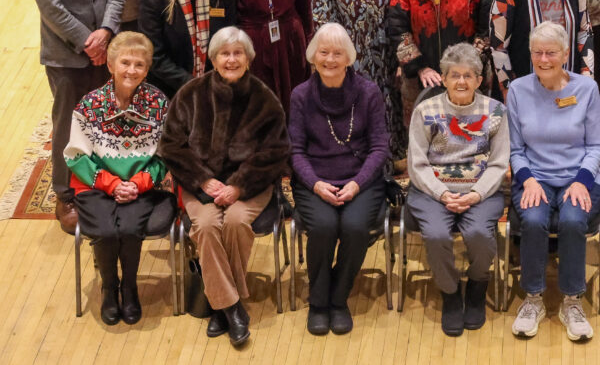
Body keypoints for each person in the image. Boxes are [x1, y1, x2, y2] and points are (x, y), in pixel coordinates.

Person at [159, 27, 290, 348]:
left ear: (249, 59)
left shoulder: (264, 98)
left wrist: (238, 186)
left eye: (238, 53)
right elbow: (171, 145)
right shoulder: (190, 94)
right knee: (205, 225)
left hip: (250, 185)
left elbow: (276, 151)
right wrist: (203, 179)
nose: (231, 60)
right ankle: (232, 307)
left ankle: (219, 304)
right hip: (199, 183)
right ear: (213, 59)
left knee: (235, 221)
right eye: (224, 54)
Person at [26, 0, 126, 232]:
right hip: (66, 52)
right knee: (69, 122)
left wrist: (106, 31)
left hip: (105, 42)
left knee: (106, 118)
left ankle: (103, 183)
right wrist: (88, 41)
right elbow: (50, 6)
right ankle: (65, 194)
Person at [64, 32, 175, 326]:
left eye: (139, 64)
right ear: (111, 65)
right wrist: (112, 184)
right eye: (125, 62)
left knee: (129, 227)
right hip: (96, 185)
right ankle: (109, 288)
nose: (131, 70)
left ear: (147, 70)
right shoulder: (89, 104)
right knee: (105, 229)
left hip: (142, 187)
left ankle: (130, 288)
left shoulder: (158, 103)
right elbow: (75, 156)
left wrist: (138, 183)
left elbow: (165, 155)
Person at [288, 24, 390, 336]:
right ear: (313, 56)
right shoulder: (300, 95)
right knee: (323, 226)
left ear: (349, 58)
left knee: (355, 227)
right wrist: (315, 184)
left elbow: (380, 147)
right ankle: (319, 302)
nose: (330, 59)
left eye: (337, 53)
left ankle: (338, 296)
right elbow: (295, 151)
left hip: (361, 180)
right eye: (324, 52)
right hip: (315, 180)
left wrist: (357, 183)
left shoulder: (368, 93)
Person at [507, 22, 600, 342]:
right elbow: (515, 149)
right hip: (534, 177)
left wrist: (581, 181)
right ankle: (533, 298)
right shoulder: (518, 90)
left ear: (565, 54)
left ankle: (572, 301)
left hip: (579, 176)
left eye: (551, 53)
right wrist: (528, 180)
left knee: (573, 220)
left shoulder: (586, 89)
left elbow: (596, 146)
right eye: (537, 52)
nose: (544, 59)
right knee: (533, 220)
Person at [407, 43, 509, 337]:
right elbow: (417, 163)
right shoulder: (425, 111)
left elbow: (499, 163)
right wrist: (442, 194)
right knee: (437, 235)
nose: (461, 81)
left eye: (468, 75)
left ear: (479, 80)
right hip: (432, 191)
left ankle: (477, 286)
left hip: (481, 191)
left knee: (479, 235)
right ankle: (450, 293)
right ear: (443, 78)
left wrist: (476, 194)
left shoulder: (496, 111)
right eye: (454, 75)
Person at [387, 0, 491, 145]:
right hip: (421, 79)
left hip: (468, 77)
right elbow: (398, 29)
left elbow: (486, 29)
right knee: (426, 145)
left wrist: (464, 70)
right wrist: (419, 67)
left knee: (468, 143)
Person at [312, 0, 402, 156]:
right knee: (352, 136)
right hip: (347, 67)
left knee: (386, 139)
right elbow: (323, 30)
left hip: (387, 65)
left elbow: (403, 18)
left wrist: (403, 60)